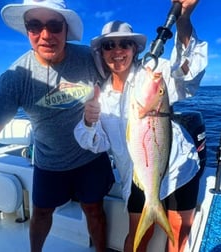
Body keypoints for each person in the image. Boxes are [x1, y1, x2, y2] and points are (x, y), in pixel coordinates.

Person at [74, 0, 207, 251]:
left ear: (135, 49)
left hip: (180, 167)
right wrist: (89, 121)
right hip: (138, 176)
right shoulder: (99, 97)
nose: (117, 50)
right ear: (101, 52)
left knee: (179, 235)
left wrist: (183, 21)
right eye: (108, 45)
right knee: (137, 238)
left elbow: (187, 78)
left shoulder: (153, 72)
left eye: (125, 43)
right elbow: (97, 143)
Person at [0, 1, 115, 252]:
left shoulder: (89, 57)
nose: (46, 35)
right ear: (27, 31)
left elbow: (126, 71)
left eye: (54, 25)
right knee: (41, 213)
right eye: (35, 26)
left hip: (90, 157)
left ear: (65, 29)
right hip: (49, 163)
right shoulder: (17, 76)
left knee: (94, 210)